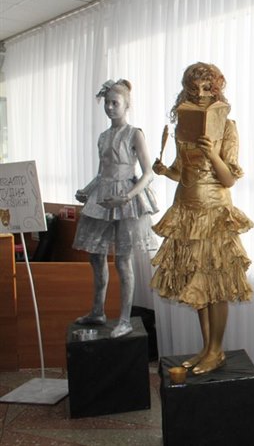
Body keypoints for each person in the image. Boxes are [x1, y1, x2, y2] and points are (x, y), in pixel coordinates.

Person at [151, 62, 254, 375]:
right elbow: (181, 172)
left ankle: (217, 350)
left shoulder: (228, 126)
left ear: (217, 89)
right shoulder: (184, 126)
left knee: (216, 283)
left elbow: (229, 179)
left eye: (207, 87)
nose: (200, 93)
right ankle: (207, 347)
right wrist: (164, 171)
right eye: (194, 88)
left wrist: (212, 154)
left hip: (214, 213)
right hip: (186, 212)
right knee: (197, 282)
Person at [73, 79, 158, 339]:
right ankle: (97, 310)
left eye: (115, 103)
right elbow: (102, 173)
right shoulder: (104, 136)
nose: (110, 107)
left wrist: (128, 196)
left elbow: (149, 173)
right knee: (96, 256)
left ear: (126, 105)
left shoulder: (134, 134)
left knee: (123, 259)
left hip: (126, 199)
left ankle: (124, 319)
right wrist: (86, 190)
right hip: (103, 196)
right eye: (107, 103)